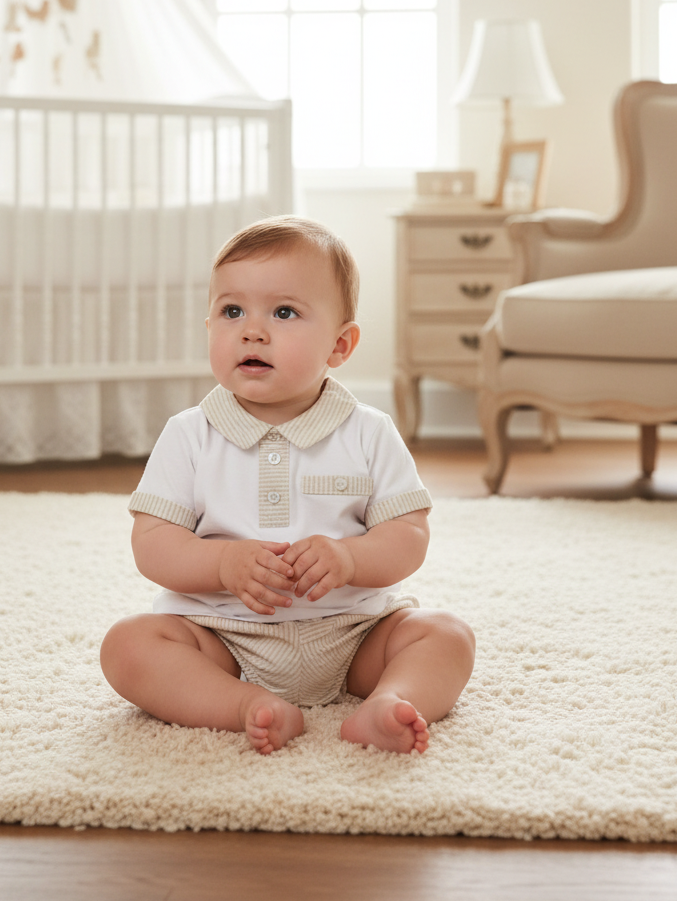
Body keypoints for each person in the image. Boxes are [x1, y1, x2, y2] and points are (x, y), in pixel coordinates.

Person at [100, 216, 475, 755]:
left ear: (340, 345)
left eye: (284, 312)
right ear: (210, 328)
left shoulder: (368, 431)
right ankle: (243, 704)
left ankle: (387, 702)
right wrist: (223, 566)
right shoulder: (189, 435)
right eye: (232, 312)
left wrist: (349, 559)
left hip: (354, 632)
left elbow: (408, 535)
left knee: (446, 635)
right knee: (128, 646)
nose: (252, 330)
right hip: (223, 634)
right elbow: (153, 544)